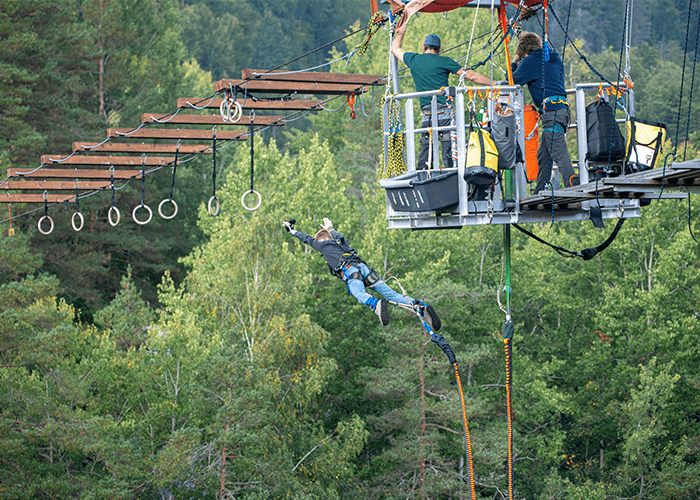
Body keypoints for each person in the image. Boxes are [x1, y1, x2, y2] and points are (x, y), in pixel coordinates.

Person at [465, 32, 578, 193]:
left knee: (559, 152)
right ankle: (541, 189)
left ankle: (574, 186)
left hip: (551, 111)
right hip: (562, 109)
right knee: (544, 154)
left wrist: (516, 60)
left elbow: (511, 80)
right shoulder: (554, 57)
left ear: (524, 51)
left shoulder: (531, 60)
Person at [282, 217, 440, 329]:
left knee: (358, 293)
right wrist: (331, 228)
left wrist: (292, 230)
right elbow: (340, 236)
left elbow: (307, 239)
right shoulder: (342, 243)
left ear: (322, 240)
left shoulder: (324, 245)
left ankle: (375, 305)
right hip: (366, 269)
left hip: (351, 271)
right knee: (392, 294)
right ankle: (420, 307)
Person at [391, 27, 465, 170]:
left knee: (426, 148)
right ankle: (452, 176)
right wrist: (493, 83)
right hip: (445, 113)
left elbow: (395, 48)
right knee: (449, 151)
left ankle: (422, 175)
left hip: (428, 114)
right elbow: (469, 75)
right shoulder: (444, 61)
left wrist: (402, 29)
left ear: (423, 47)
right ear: (440, 49)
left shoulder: (414, 60)